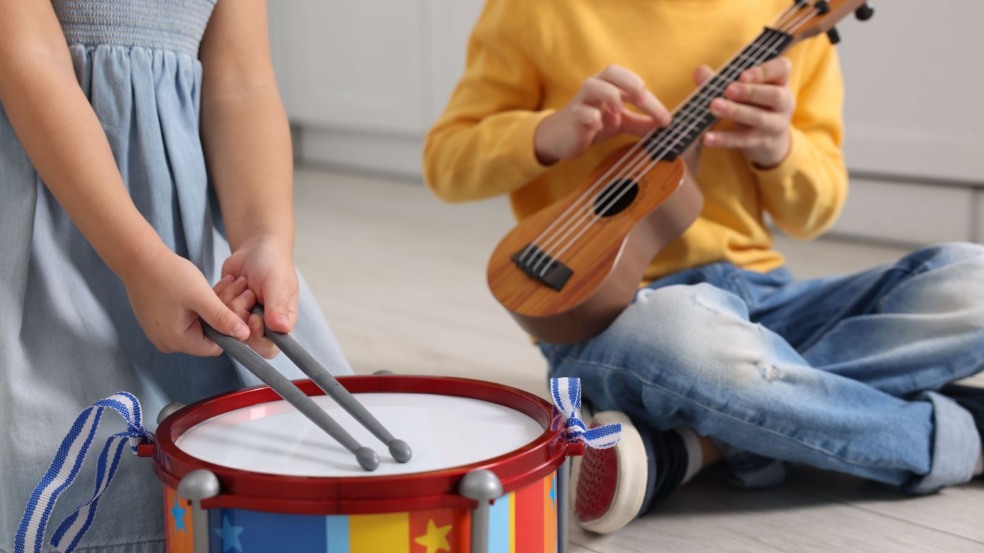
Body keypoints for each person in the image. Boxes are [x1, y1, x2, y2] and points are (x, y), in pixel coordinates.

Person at [423, 0, 984, 536]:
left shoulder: (793, 19)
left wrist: (780, 147)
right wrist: (549, 132)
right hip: (617, 316)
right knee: (682, 337)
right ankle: (961, 436)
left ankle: (703, 442)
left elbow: (815, 213)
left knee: (971, 279)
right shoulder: (533, 10)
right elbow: (446, 162)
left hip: (763, 301)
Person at [0, 0, 352, 550]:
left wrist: (263, 238)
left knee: (305, 464)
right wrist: (140, 262)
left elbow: (243, 83)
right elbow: (27, 58)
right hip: (44, 234)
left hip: (188, 241)